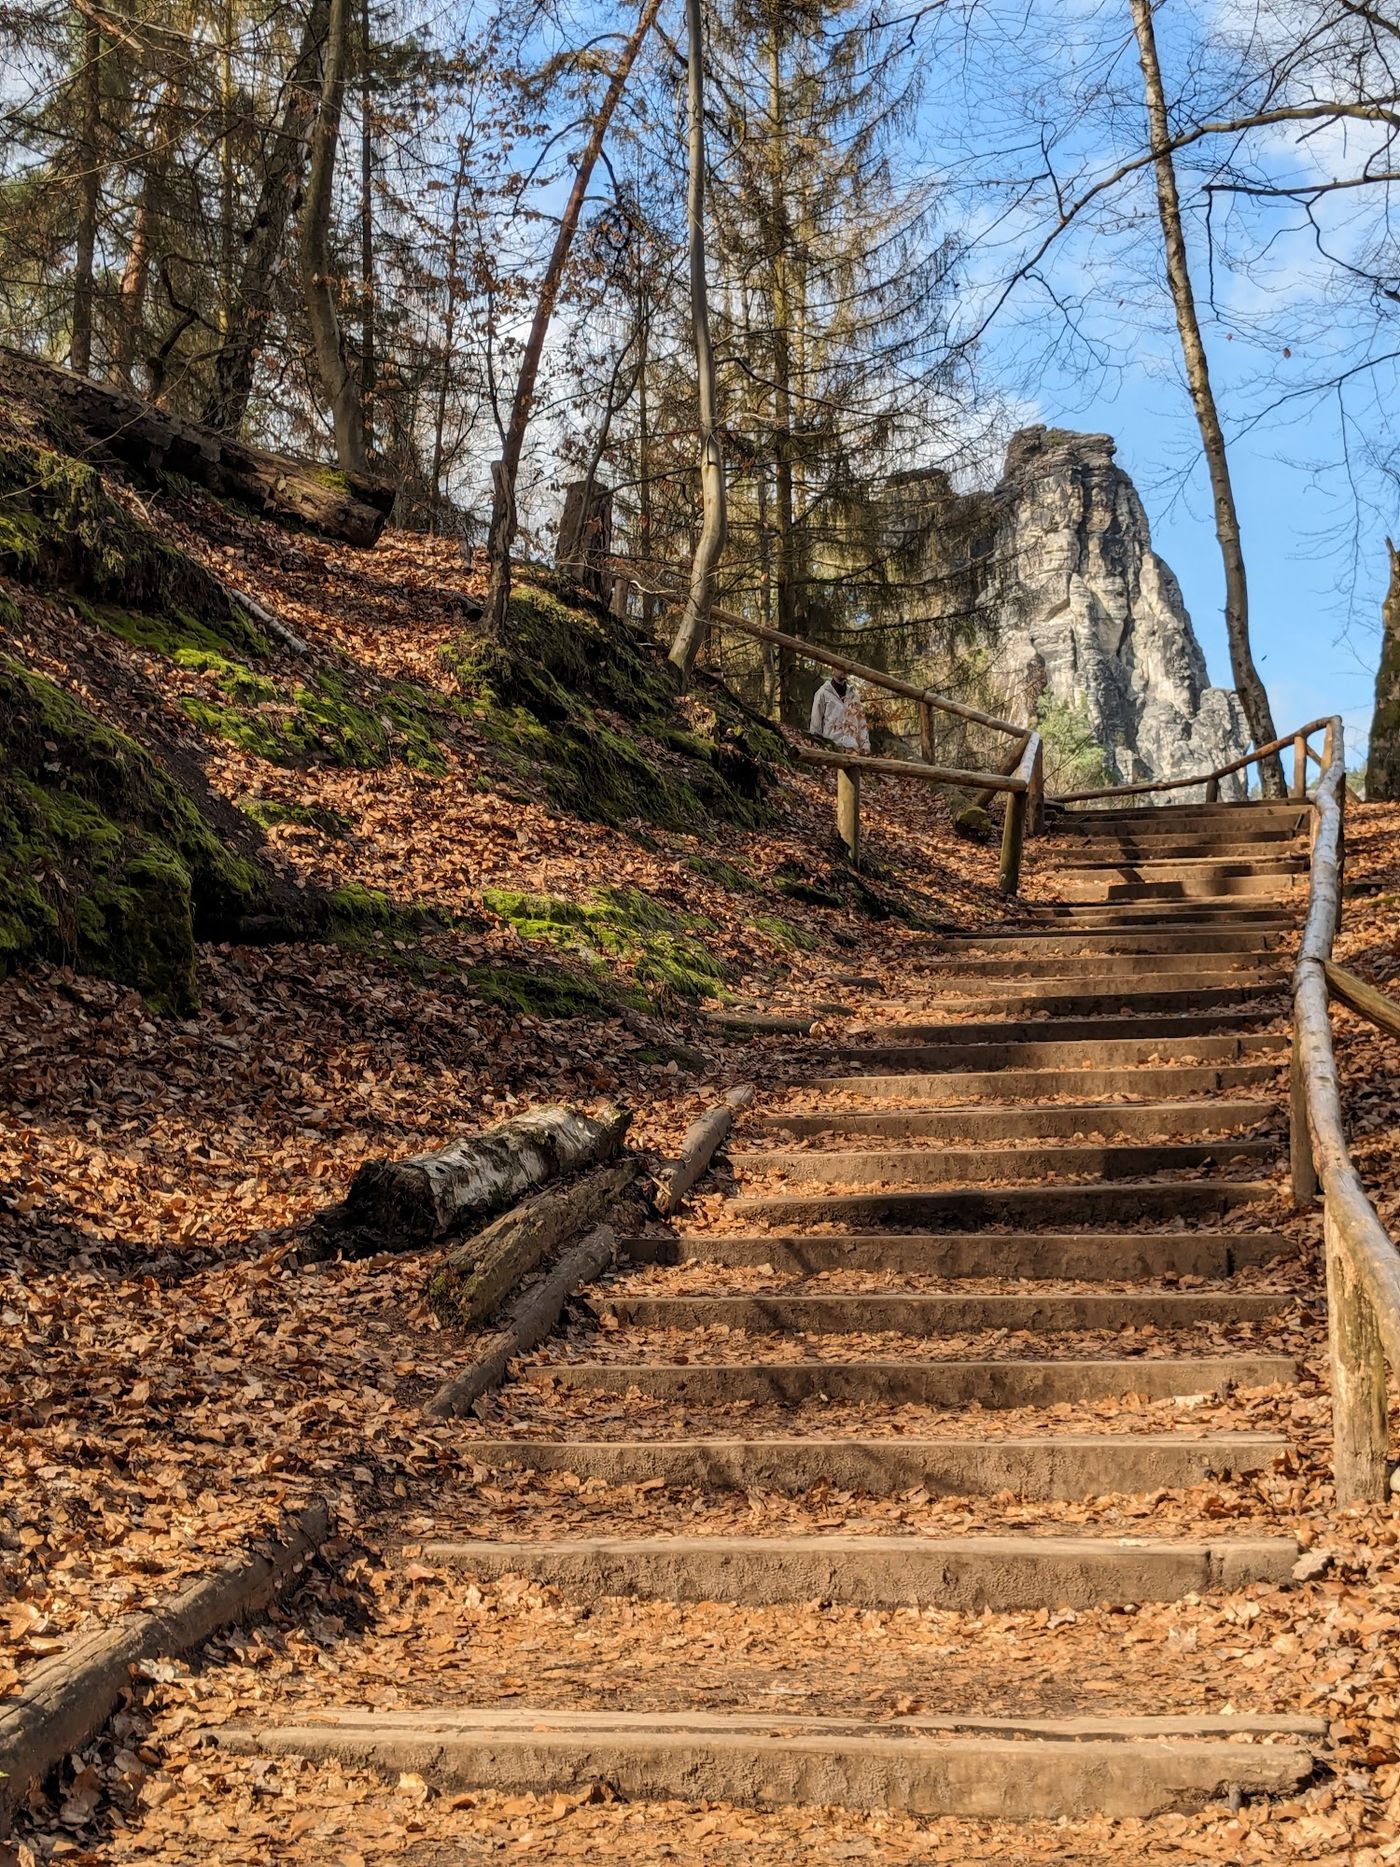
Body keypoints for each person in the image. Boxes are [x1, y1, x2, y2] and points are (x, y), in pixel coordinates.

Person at [809, 674, 871, 754]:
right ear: (833, 668)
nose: (843, 670)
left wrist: (865, 747)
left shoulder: (854, 696)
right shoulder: (823, 693)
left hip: (853, 751)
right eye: (840, 666)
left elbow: (862, 724)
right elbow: (815, 726)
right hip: (831, 750)